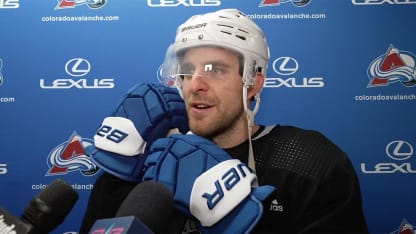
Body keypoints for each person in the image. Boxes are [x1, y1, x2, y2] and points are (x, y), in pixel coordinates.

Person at [80, 9, 369, 233]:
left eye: (214, 69)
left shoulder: (308, 163)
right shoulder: (138, 165)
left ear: (252, 84)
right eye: (186, 71)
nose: (195, 85)